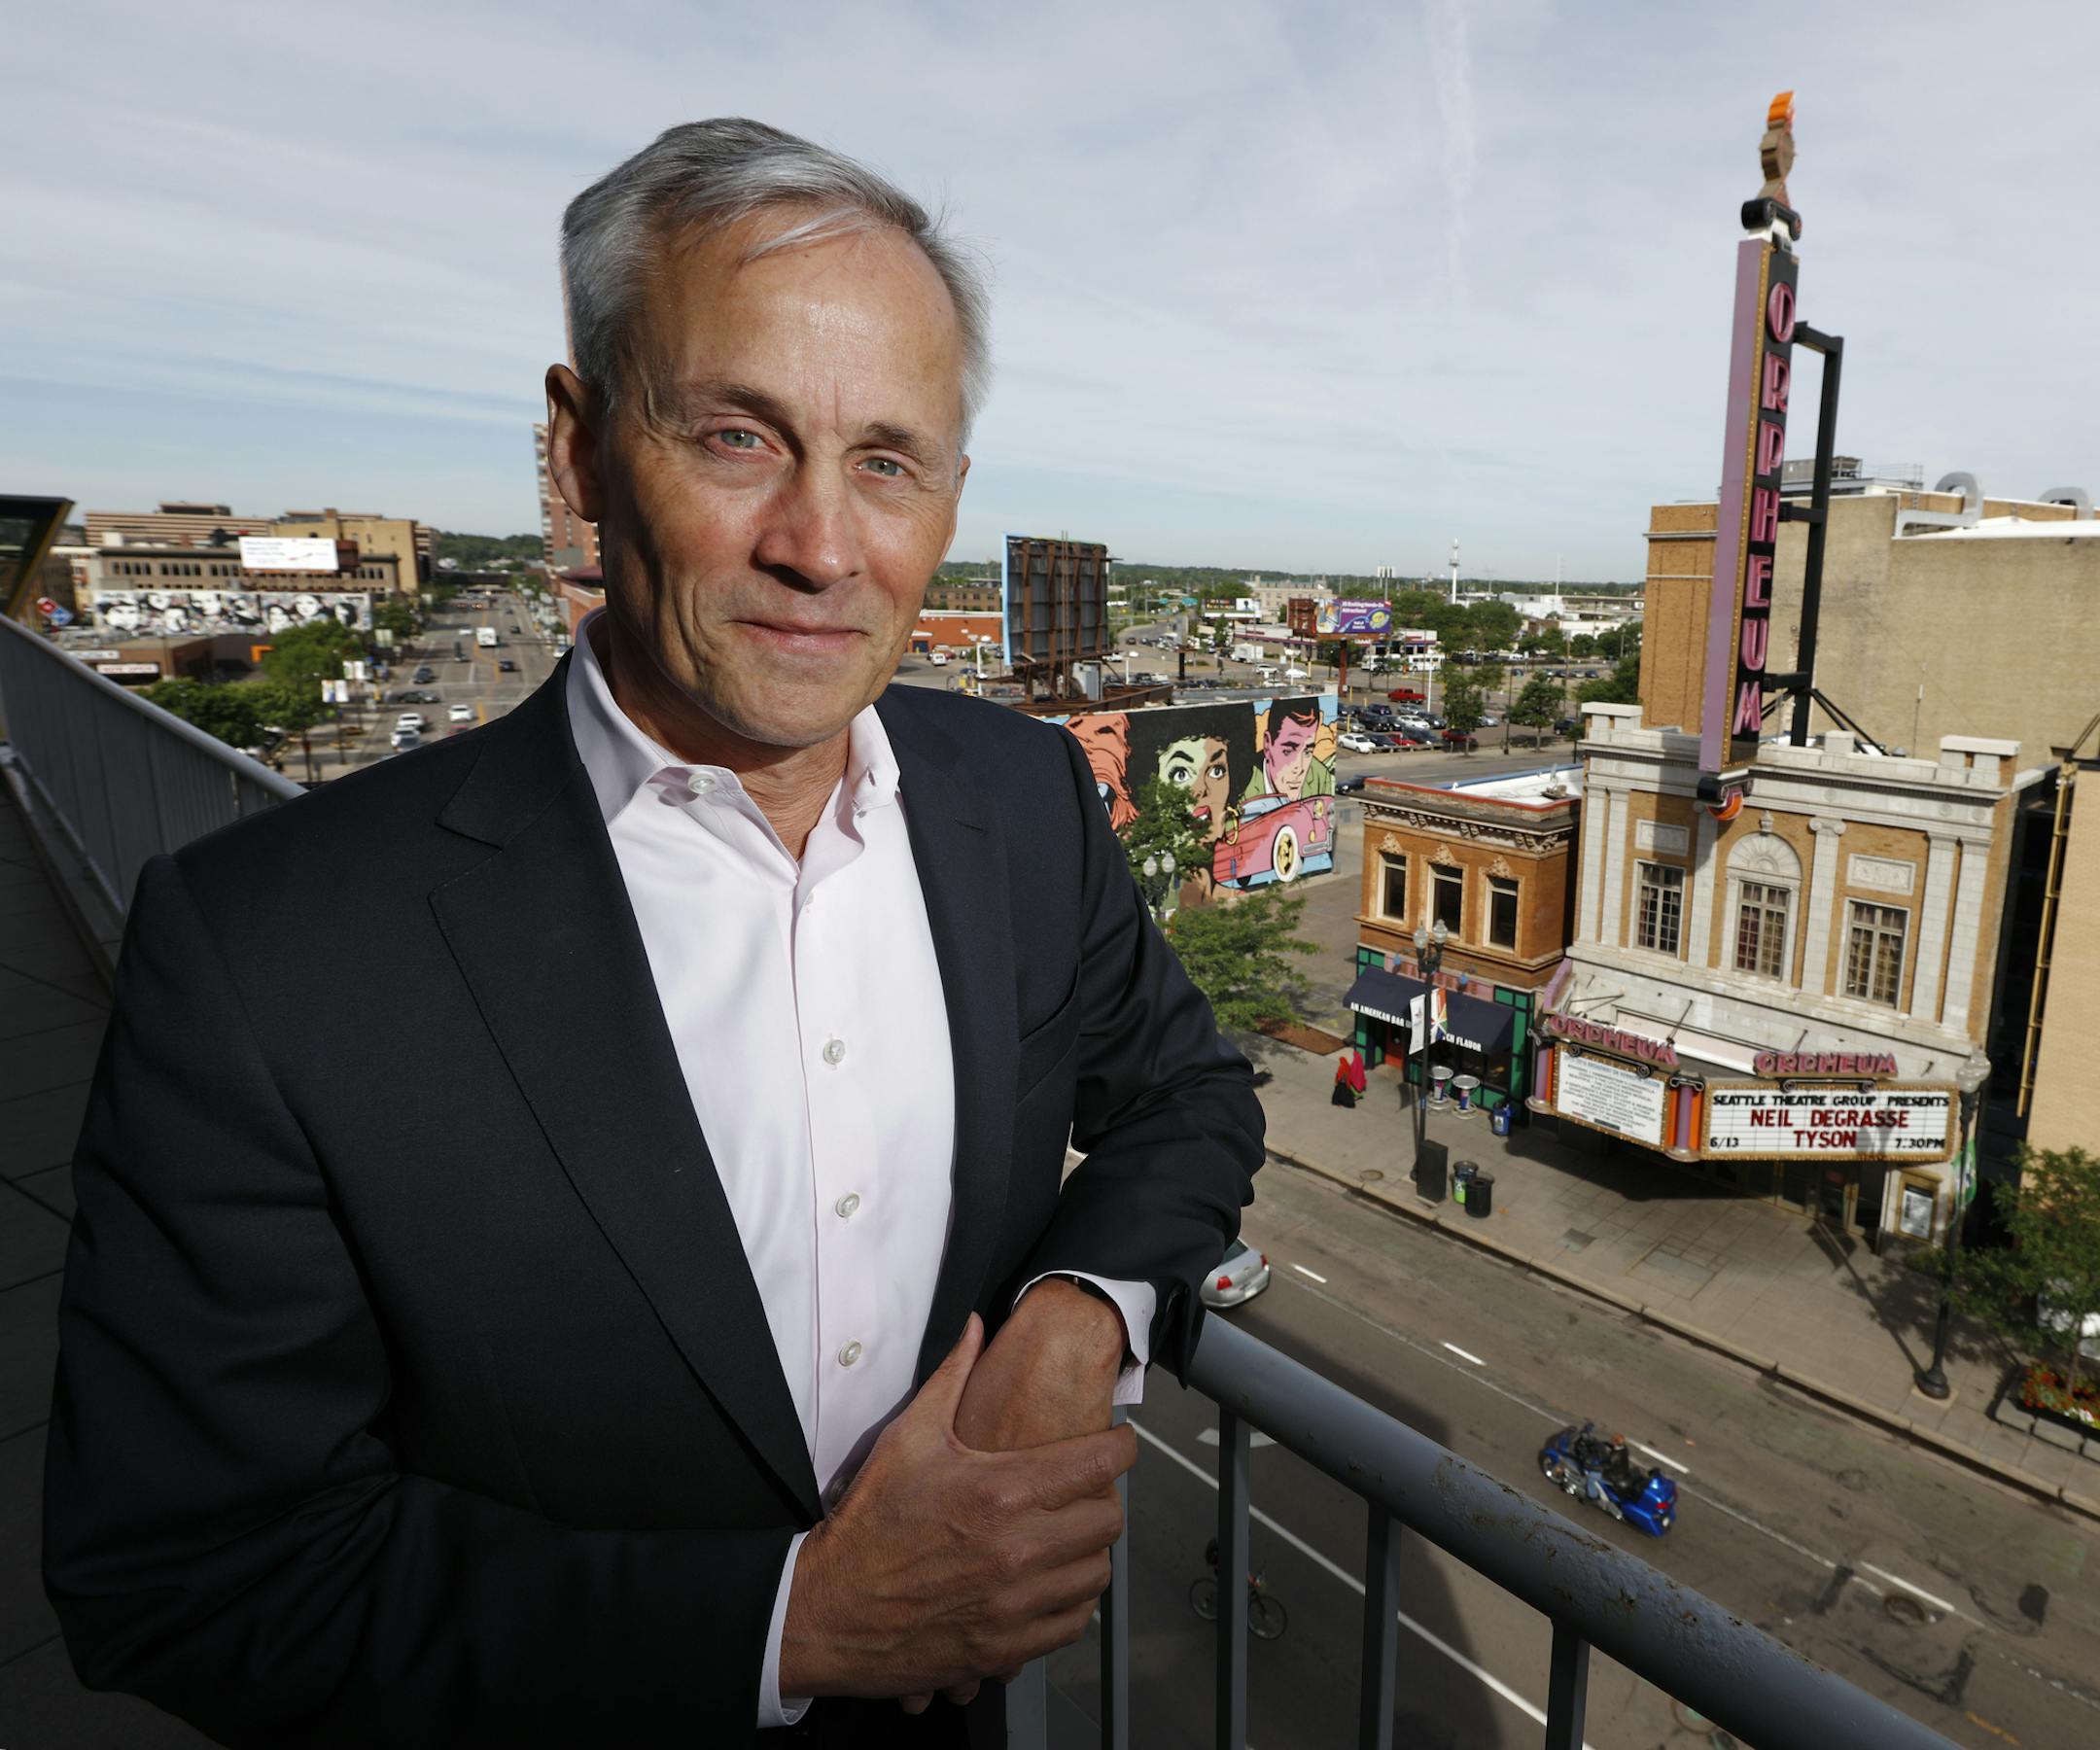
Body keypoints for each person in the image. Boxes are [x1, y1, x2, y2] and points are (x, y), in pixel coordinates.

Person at [43, 119, 1264, 1749]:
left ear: (949, 500)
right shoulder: (265, 951)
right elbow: (190, 1574)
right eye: (738, 437)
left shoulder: (1022, 800)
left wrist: (1079, 1311)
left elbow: (1188, 1094)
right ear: (578, 453)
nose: (821, 547)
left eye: (888, 462)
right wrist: (796, 1623)